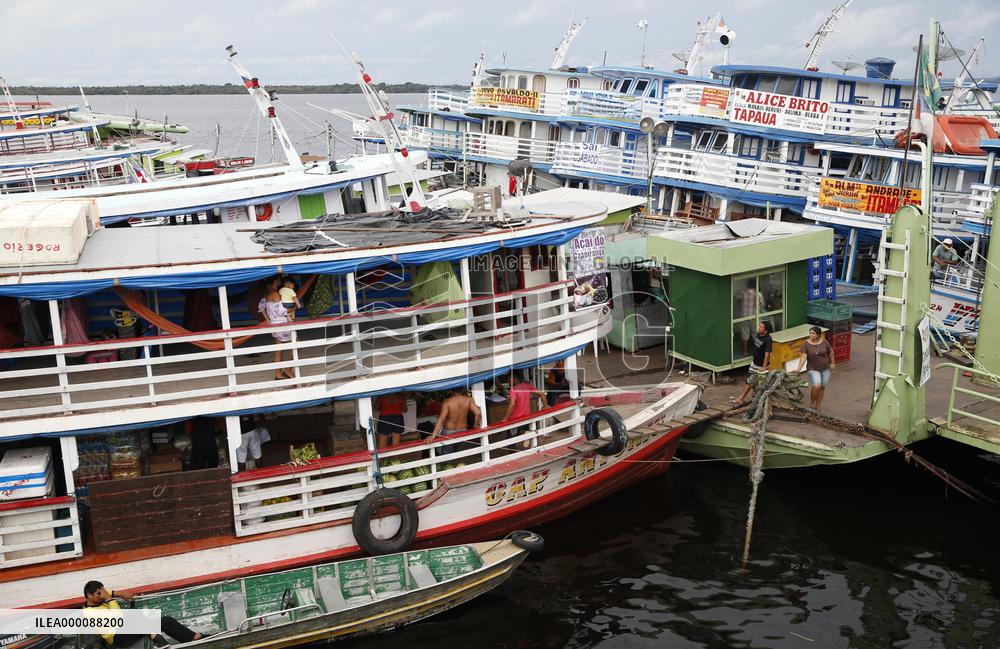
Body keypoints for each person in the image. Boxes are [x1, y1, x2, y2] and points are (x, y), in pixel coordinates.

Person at [83, 580, 203, 647]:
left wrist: (118, 593)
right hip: (118, 638)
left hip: (131, 629)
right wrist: (109, 598)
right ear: (89, 595)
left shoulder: (97, 599)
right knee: (132, 616)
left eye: (102, 591)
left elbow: (105, 592)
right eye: (99, 594)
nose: (102, 595)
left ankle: (194, 637)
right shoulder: (89, 613)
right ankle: (155, 638)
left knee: (166, 621)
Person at [431, 388, 482, 454]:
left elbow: (442, 419)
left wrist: (433, 435)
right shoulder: (469, 400)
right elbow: (478, 413)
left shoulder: (447, 402)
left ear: (450, 390)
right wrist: (476, 425)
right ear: (462, 390)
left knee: (447, 456)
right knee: (459, 454)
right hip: (462, 430)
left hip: (449, 431)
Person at [796, 326, 835, 410]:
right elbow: (803, 357)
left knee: (822, 387)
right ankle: (812, 404)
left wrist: (832, 363)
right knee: (817, 386)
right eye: (810, 333)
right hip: (813, 368)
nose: (810, 335)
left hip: (825, 368)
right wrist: (799, 369)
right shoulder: (806, 344)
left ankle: (818, 405)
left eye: (813, 333)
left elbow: (831, 352)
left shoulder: (825, 342)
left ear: (818, 335)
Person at [505, 372, 547, 449]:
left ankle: (513, 452)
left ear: (515, 379)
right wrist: (545, 406)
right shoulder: (527, 386)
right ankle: (525, 434)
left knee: (510, 441)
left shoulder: (513, 389)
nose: (508, 382)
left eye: (508, 380)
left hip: (514, 419)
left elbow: (512, 404)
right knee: (520, 433)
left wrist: (505, 418)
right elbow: (542, 394)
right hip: (526, 417)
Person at [735, 321, 773, 404]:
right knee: (751, 381)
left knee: (750, 381)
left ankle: (741, 398)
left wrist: (764, 367)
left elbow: (767, 355)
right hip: (754, 362)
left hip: (760, 366)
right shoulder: (758, 334)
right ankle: (753, 393)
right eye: (759, 326)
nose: (759, 328)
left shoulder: (768, 339)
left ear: (766, 331)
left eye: (761, 327)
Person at [264, 291, 293, 380]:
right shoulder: (275, 294)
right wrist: (293, 308)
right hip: (281, 324)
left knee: (279, 350)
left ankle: (278, 374)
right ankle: (288, 369)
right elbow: (281, 312)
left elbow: (261, 308)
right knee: (297, 344)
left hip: (274, 324)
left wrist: (268, 319)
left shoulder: (266, 295)